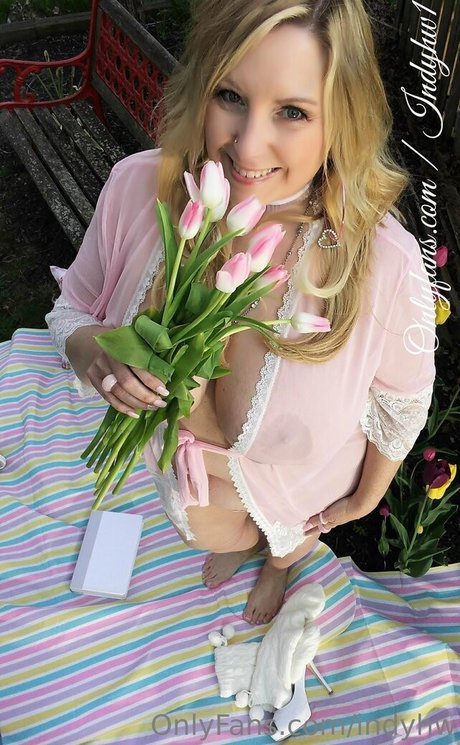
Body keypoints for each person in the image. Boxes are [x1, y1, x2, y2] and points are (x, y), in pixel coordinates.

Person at [46, 0, 436, 625]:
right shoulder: (139, 189)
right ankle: (240, 542)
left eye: (292, 112)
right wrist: (93, 350)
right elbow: (72, 310)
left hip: (297, 496)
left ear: (341, 117)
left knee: (288, 536)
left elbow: (402, 400)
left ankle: (277, 562)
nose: (247, 146)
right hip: (193, 483)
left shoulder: (381, 263)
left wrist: (364, 500)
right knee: (217, 528)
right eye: (230, 96)